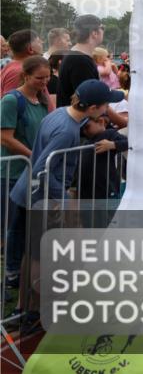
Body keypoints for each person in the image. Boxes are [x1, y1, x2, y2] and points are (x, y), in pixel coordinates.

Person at [4, 80, 122, 294]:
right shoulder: (67, 131)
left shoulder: (60, 113)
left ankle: (27, 308)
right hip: (42, 196)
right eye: (105, 106)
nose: (107, 111)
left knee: (32, 252)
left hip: (27, 189)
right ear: (93, 108)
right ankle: (37, 308)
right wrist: (64, 199)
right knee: (41, 254)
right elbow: (43, 169)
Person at [0, 57, 51, 224]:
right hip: (12, 173)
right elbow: (5, 138)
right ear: (26, 76)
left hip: (33, 172)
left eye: (47, 77)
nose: (44, 82)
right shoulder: (11, 100)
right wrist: (35, 156)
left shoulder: (42, 100)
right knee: (9, 225)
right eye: (39, 78)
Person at [57, 14, 103, 107]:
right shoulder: (80, 61)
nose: (103, 31)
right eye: (102, 28)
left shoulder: (76, 57)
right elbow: (87, 103)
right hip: (78, 120)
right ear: (94, 33)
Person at [0, 29, 47, 100]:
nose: (42, 44)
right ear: (30, 49)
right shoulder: (19, 71)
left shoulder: (14, 66)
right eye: (38, 42)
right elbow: (10, 103)